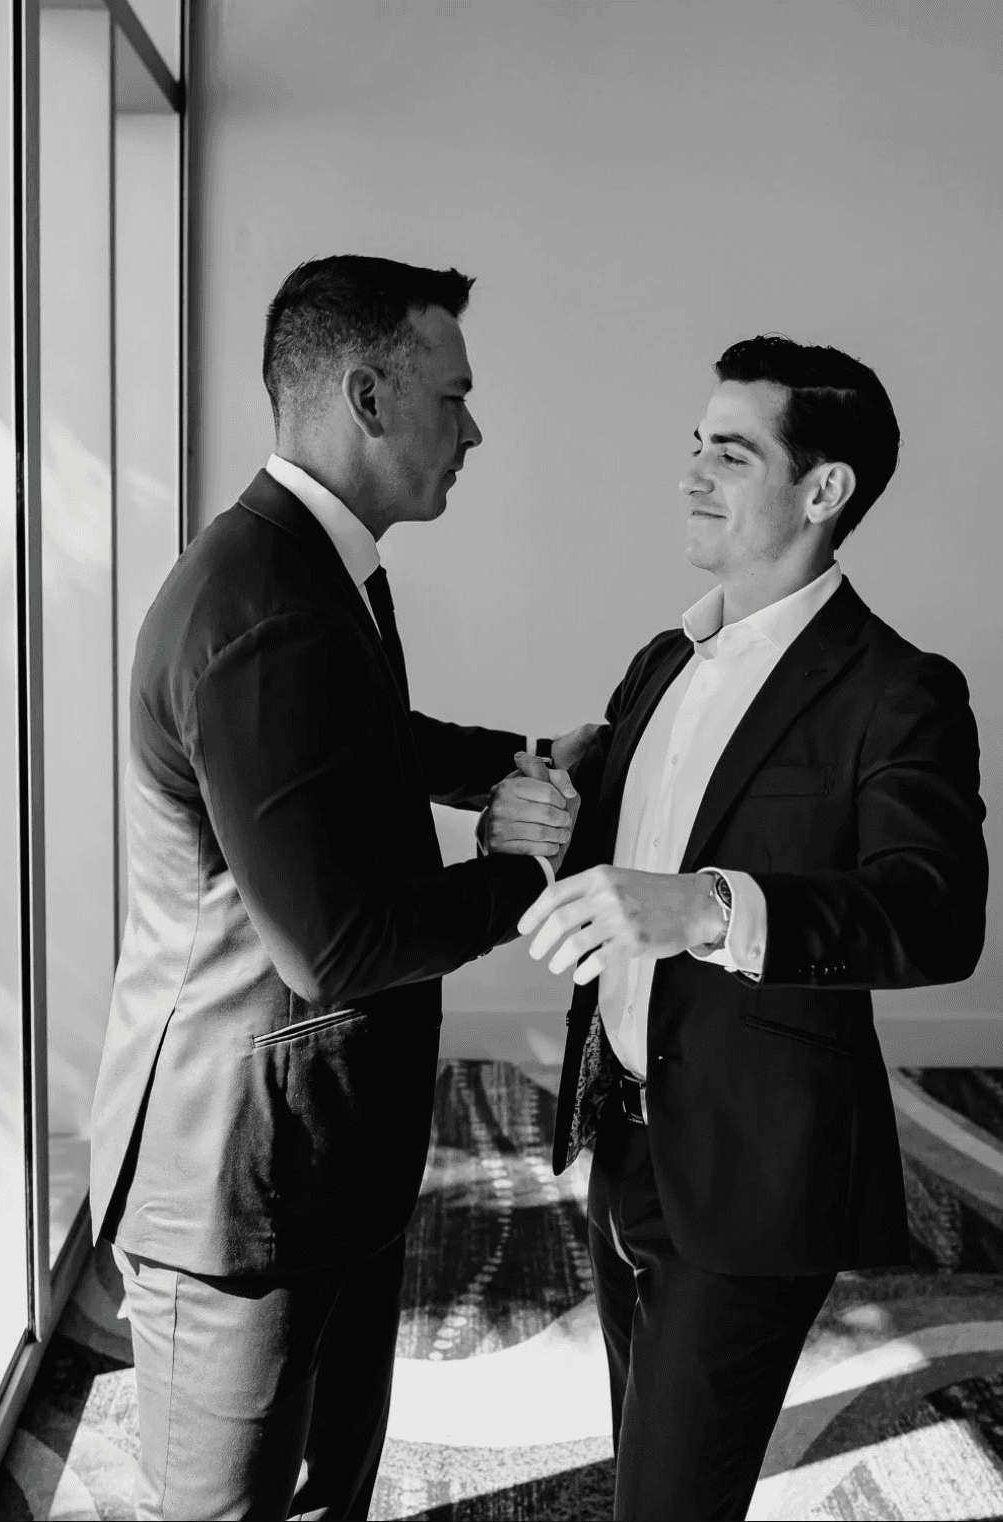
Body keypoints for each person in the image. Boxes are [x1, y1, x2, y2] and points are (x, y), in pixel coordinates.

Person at [89, 255, 588, 1521]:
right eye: (453, 396)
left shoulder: (312, 565)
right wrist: (524, 869)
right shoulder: (264, 605)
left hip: (322, 1141)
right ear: (368, 397)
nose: (473, 429)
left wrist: (517, 762)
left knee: (327, 1489)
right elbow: (339, 946)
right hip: (238, 1172)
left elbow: (359, 737)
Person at [490, 336, 988, 1520]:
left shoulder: (898, 689)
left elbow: (934, 915)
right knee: (644, 1464)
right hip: (622, 1136)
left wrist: (711, 905)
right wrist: (541, 824)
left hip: (759, 1165)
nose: (691, 474)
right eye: (694, 446)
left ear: (824, 491)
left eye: (731, 452)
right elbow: (616, 859)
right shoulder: (660, 661)